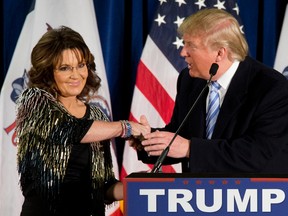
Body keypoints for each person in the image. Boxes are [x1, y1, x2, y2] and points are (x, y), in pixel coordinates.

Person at [16, 26, 149, 216]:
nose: (76, 75)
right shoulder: (33, 101)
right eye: (64, 68)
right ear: (47, 72)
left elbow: (103, 189)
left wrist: (133, 186)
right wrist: (125, 128)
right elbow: (67, 130)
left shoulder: (96, 115)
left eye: (81, 65)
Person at [135, 8, 288, 174]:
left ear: (220, 53)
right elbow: (180, 134)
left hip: (250, 195)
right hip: (198, 194)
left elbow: (257, 153)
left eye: (190, 46)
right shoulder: (189, 80)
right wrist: (146, 139)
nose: (182, 52)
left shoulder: (272, 88)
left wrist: (190, 149)